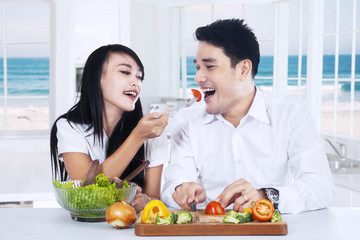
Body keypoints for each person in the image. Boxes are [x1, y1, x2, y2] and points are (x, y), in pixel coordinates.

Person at [161, 19, 334, 214]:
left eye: (209, 67)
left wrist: (266, 196)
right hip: (207, 228)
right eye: (197, 67)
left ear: (243, 69)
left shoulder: (291, 113)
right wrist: (180, 190)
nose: (198, 78)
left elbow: (321, 187)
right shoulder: (187, 119)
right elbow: (171, 187)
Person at [50, 44, 169, 212]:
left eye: (139, 76)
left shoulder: (152, 133)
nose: (135, 82)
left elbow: (154, 197)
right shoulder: (69, 128)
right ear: (97, 77)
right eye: (125, 72)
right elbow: (87, 186)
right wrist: (137, 137)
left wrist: (146, 201)